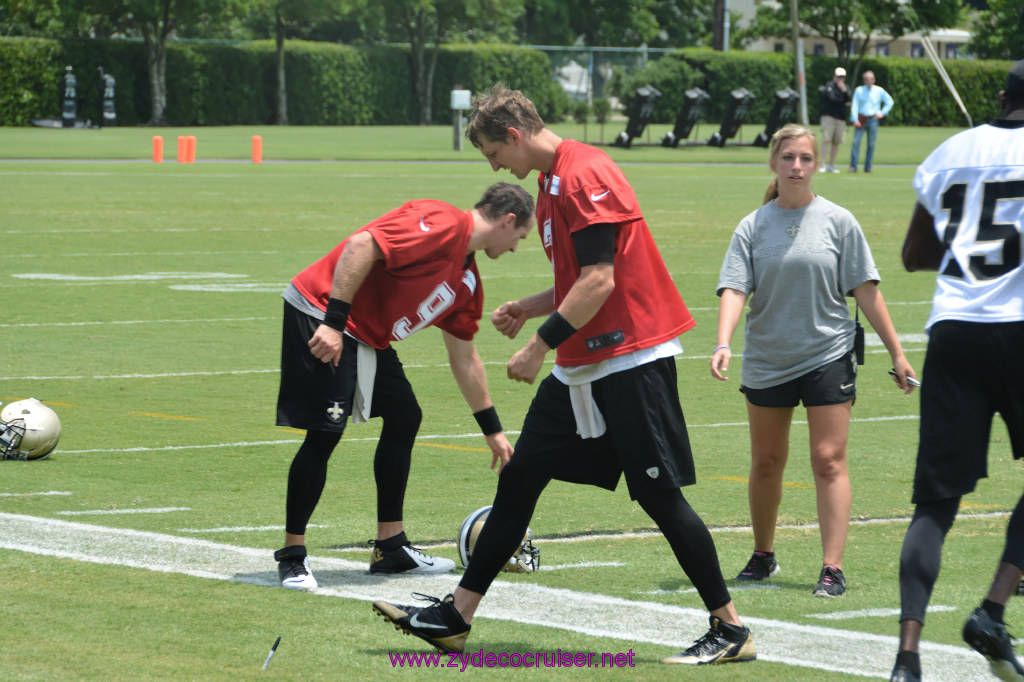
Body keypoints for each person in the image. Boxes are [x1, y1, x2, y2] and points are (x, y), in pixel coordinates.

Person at [372, 83, 756, 666]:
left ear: (515, 136)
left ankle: (730, 629)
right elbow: (582, 275)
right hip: (585, 361)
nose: (494, 164)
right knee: (521, 476)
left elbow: (602, 280)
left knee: (658, 495)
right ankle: (456, 618)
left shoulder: (583, 173)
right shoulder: (552, 185)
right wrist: (530, 306)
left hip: (629, 356)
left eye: (491, 152)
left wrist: (536, 345)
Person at [273, 182, 535, 590]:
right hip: (322, 310)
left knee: (404, 414)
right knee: (325, 432)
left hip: (368, 334)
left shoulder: (468, 282)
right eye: (520, 237)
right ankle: (292, 556)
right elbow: (361, 245)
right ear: (508, 220)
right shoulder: (444, 222)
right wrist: (333, 322)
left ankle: (390, 548)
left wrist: (493, 430)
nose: (517, 248)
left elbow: (465, 358)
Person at [712, 123, 916, 599]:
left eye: (805, 158)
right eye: (788, 158)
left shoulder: (839, 221)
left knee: (828, 460)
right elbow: (735, 288)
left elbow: (866, 290)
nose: (797, 167)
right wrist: (723, 341)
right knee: (766, 462)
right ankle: (763, 555)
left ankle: (832, 567)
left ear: (816, 162)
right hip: (768, 358)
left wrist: (897, 352)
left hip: (828, 353)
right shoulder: (753, 225)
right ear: (773, 163)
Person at [888, 60, 1024, 682]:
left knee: (935, 503)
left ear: (1002, 96)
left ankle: (907, 657)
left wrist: (970, 243)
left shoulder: (953, 149)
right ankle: (993, 608)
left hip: (955, 331)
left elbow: (916, 253)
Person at [849, 70, 894, 173]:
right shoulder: (859, 90)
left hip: (873, 119)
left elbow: (889, 102)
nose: (868, 81)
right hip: (861, 118)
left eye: (870, 79)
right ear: (864, 80)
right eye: (866, 79)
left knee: (871, 144)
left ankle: (868, 167)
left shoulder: (879, 90)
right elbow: (855, 105)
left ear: (874, 80)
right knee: (856, 142)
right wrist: (854, 119)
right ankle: (853, 166)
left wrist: (882, 113)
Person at [819, 66, 851, 174]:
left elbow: (849, 99)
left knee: (836, 142)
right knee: (826, 140)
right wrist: (843, 100)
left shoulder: (845, 88)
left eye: (842, 77)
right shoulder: (829, 86)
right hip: (829, 117)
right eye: (838, 77)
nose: (840, 79)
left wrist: (844, 92)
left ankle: (831, 165)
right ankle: (822, 164)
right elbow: (831, 98)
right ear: (834, 76)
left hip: (840, 118)